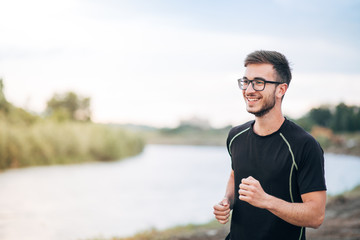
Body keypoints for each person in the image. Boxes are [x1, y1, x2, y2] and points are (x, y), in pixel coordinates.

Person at [213, 50, 327, 240]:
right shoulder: (235, 136)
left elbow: (316, 216)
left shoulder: (304, 145)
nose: (249, 90)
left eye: (259, 82)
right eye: (246, 81)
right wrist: (227, 201)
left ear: (281, 90)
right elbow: (235, 175)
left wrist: (266, 201)